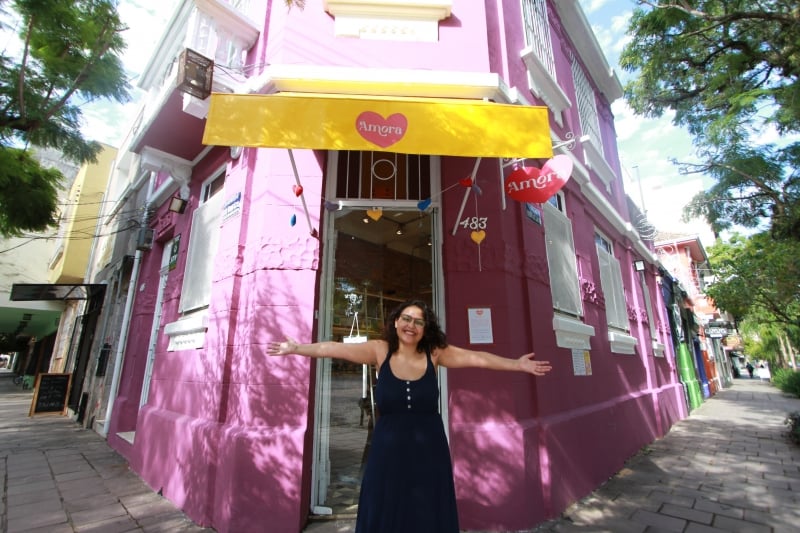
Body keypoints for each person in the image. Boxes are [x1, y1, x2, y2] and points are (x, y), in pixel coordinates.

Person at [267, 299, 552, 533]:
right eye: (406, 318)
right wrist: (297, 349)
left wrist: (517, 365)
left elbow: (478, 358)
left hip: (429, 449)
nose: (410, 325)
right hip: (387, 448)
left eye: (418, 321)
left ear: (425, 328)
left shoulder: (435, 354)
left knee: (426, 505)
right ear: (395, 321)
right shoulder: (380, 350)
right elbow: (335, 348)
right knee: (385, 501)